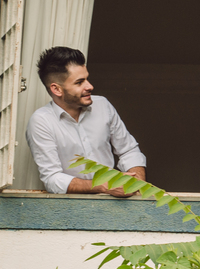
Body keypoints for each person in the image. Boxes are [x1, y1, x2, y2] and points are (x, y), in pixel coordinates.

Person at [25, 46, 146, 196]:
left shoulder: (103, 105)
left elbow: (128, 150)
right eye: (79, 82)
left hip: (116, 206)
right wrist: (104, 186)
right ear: (56, 89)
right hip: (71, 211)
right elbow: (52, 178)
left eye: (87, 78)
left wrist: (137, 183)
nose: (90, 86)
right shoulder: (41, 122)